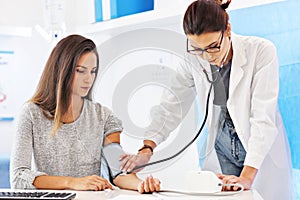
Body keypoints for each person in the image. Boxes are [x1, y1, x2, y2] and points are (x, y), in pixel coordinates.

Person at [119, 0, 293, 199]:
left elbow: (263, 119)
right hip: (221, 150)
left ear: (227, 29)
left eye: (213, 47)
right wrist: (147, 149)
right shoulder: (193, 58)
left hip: (258, 153)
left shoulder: (261, 51)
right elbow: (171, 106)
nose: (207, 57)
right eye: (198, 48)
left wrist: (246, 177)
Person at [10, 34, 160, 193]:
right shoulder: (31, 113)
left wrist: (140, 185)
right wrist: (72, 183)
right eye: (80, 71)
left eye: (93, 71)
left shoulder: (104, 117)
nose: (89, 79)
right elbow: (19, 177)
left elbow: (118, 172)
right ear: (62, 70)